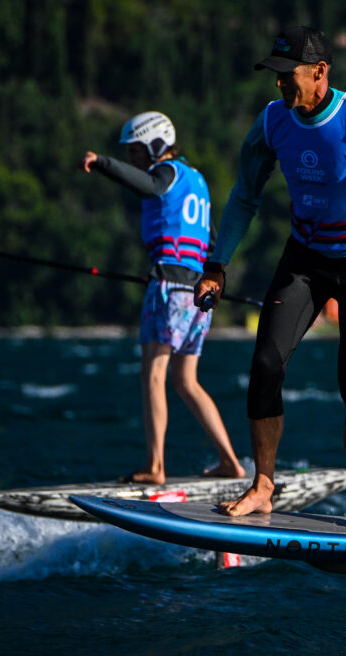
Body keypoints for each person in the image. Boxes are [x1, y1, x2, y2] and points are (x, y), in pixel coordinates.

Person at [194, 26, 346, 536]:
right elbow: (244, 196)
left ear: (320, 73)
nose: (280, 85)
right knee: (265, 364)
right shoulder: (272, 121)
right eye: (276, 76)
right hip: (304, 259)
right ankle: (263, 485)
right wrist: (216, 264)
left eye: (289, 76)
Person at [82, 111, 245, 484]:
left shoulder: (166, 173)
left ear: (155, 144)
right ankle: (231, 463)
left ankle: (155, 467)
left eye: (136, 150)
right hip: (198, 293)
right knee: (186, 381)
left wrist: (103, 163)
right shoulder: (197, 181)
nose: (133, 158)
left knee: (153, 374)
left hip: (170, 290)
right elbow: (212, 241)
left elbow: (149, 187)